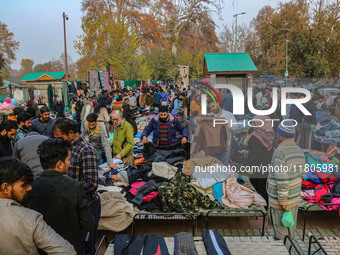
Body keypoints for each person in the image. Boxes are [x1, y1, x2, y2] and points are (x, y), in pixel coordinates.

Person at [26, 139, 95, 255]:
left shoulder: (29, 187)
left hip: (39, 249)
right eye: (68, 159)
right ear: (59, 164)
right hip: (70, 248)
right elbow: (88, 224)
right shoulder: (75, 187)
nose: (70, 163)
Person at [0, 157, 76, 255]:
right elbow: (66, 252)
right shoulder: (29, 218)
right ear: (5, 188)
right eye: (24, 185)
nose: (29, 188)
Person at [52, 118, 100, 255]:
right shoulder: (66, 149)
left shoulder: (86, 151)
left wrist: (67, 191)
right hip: (72, 205)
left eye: (60, 138)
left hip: (87, 205)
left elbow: (91, 184)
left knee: (86, 246)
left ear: (71, 133)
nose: (58, 141)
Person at [267, 121, 306, 240]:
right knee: (290, 229)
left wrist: (283, 202)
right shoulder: (299, 150)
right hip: (294, 198)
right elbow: (303, 174)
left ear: (280, 136)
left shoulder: (280, 152)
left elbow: (282, 181)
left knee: (281, 234)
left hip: (282, 202)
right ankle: (289, 249)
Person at [243, 116, 275, 203]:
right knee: (265, 187)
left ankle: (263, 209)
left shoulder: (256, 136)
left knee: (259, 189)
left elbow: (254, 155)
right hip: (267, 166)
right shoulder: (270, 134)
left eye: (254, 123)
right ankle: (267, 207)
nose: (253, 125)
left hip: (257, 168)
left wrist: (250, 167)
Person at [207, 98, 237, 165]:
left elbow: (235, 127)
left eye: (213, 106)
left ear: (217, 103)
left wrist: (226, 123)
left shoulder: (228, 115)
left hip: (225, 145)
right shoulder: (209, 116)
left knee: (224, 166)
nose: (212, 109)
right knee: (213, 166)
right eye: (210, 108)